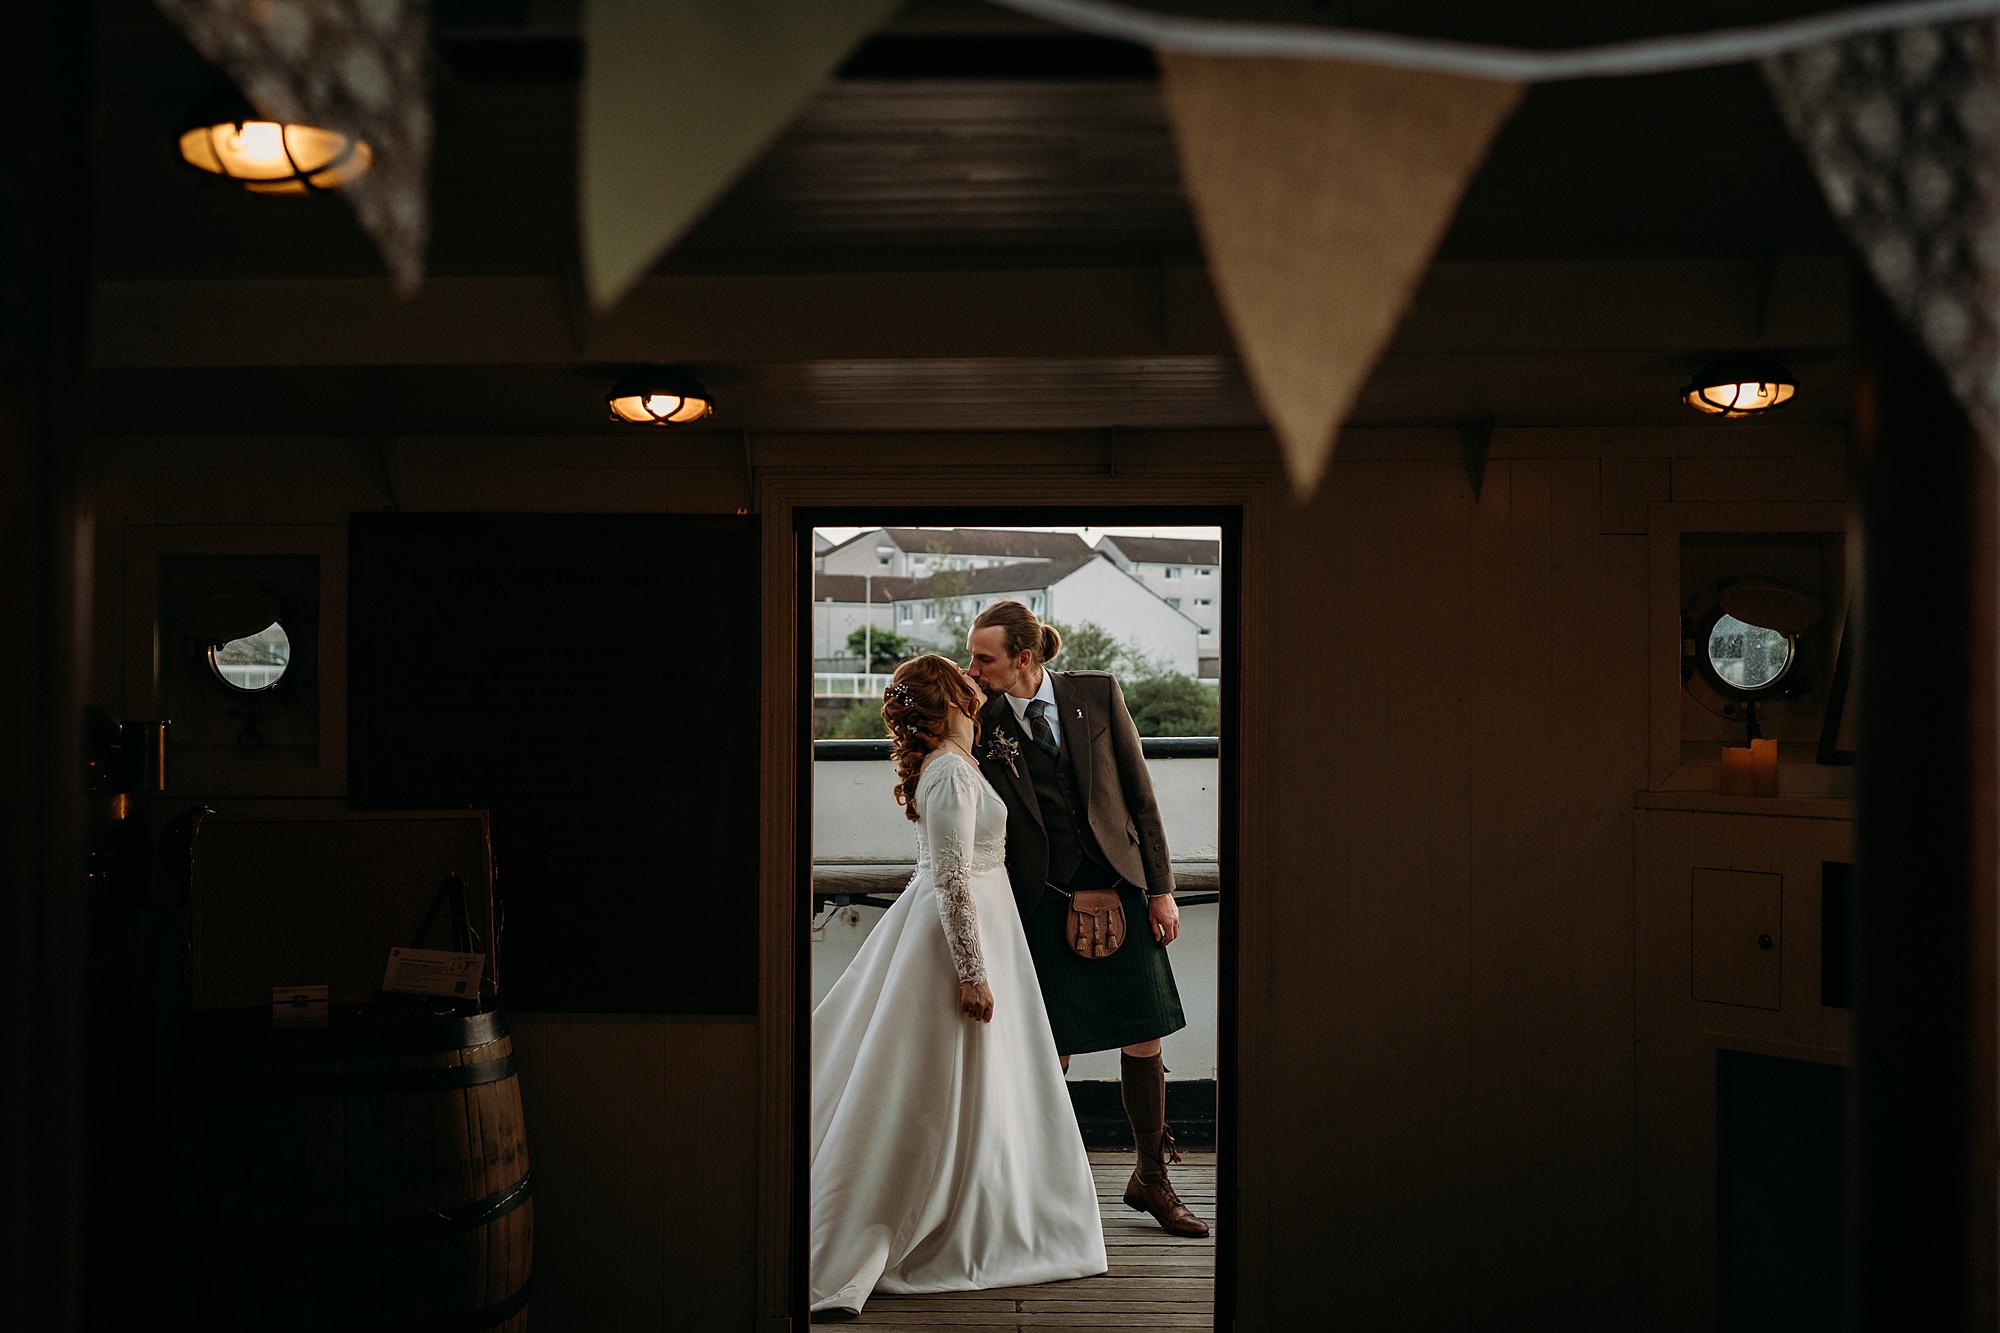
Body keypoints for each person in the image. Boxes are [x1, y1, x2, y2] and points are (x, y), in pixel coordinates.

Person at [808, 654, 1106, 1320]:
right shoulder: (946, 771)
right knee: (940, 1082)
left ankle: (989, 1193)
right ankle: (933, 1210)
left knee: (986, 1079)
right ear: (950, 698)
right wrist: (972, 973)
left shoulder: (958, 762)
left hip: (992, 924)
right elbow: (950, 878)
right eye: (965, 681)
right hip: (957, 942)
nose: (977, 686)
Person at [965, 600, 1210, 1239]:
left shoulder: (1096, 694)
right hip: (1042, 901)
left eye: (983, 657)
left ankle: (1152, 1179)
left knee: (1146, 1033)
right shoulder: (980, 718)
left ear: (1024, 658)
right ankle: (1043, 1190)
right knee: (1053, 1051)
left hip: (1123, 891)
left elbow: (1140, 796)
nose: (973, 666)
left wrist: (1161, 890)